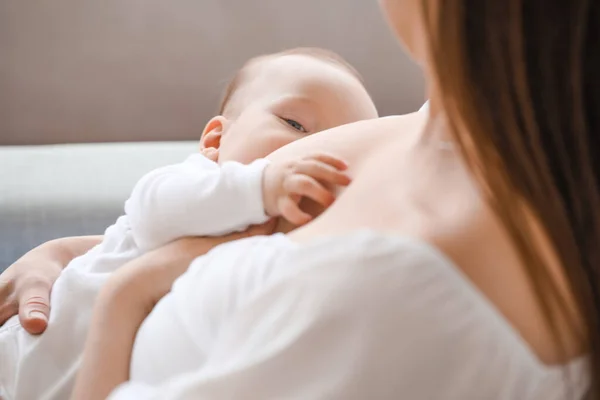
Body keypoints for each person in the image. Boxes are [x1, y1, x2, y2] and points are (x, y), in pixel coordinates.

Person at [2, 0, 599, 398]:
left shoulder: (390, 296)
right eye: (293, 124)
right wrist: (71, 254)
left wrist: (124, 294)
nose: (308, 149)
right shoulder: (435, 127)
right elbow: (181, 218)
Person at [0, 48, 378, 400]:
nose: (312, 152)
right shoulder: (194, 182)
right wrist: (261, 186)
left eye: (340, 149)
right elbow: (153, 211)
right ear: (216, 137)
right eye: (295, 123)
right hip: (22, 355)